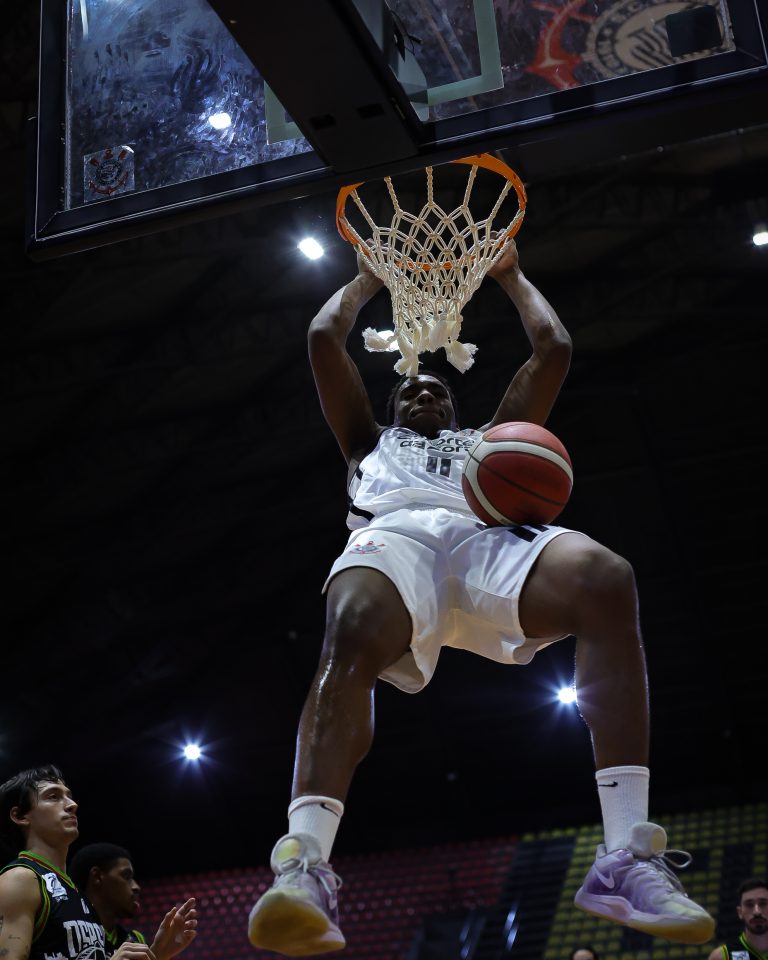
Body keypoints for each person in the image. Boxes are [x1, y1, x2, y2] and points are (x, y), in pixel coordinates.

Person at [247, 239, 715, 956]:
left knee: (606, 576)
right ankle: (304, 865)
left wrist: (513, 276)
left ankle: (626, 856)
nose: (424, 393)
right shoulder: (367, 442)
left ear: (456, 407)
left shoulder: (488, 444)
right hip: (394, 537)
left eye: (437, 390)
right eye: (411, 391)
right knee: (351, 622)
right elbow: (321, 338)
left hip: (483, 536)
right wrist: (365, 281)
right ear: (391, 407)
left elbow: (554, 349)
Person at [0, 764, 197, 960]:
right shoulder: (20, 878)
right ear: (20, 816)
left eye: (69, 796)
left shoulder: (76, 893)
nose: (72, 804)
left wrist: (158, 954)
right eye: (53, 796)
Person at [69, 842, 148, 957]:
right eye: (126, 876)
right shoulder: (67, 934)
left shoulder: (136, 939)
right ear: (97, 877)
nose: (136, 887)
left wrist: (160, 952)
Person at [707, 876, 768, 960]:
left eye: (763, 903)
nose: (757, 911)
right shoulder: (721, 956)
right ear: (740, 912)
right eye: (749, 905)